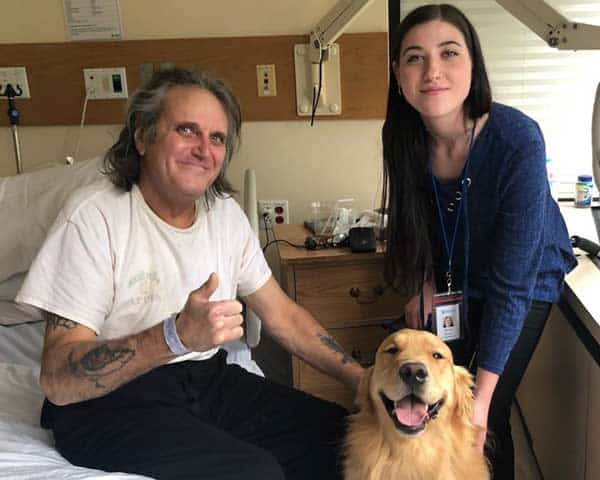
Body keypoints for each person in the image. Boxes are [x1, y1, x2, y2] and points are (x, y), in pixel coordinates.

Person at [16, 68, 364, 480]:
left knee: (346, 439)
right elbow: (58, 378)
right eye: (186, 130)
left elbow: (283, 318)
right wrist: (174, 336)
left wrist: (362, 379)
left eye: (217, 138)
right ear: (142, 136)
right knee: (253, 473)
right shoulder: (93, 218)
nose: (204, 149)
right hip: (106, 403)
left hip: (204, 381)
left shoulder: (224, 216)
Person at [381, 4, 576, 479]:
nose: (432, 71)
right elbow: (419, 222)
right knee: (432, 398)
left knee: (481, 412)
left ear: (474, 64)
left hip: (524, 281)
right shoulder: (403, 137)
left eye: (449, 53)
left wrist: (482, 400)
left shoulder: (516, 139)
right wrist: (423, 284)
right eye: (414, 58)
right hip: (457, 276)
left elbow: (511, 284)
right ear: (398, 74)